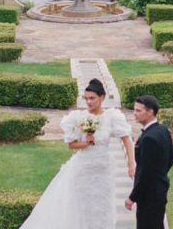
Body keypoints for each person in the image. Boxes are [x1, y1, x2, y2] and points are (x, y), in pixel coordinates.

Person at [20, 78, 135, 229]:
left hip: (103, 169)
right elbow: (71, 145)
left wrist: (131, 163)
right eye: (86, 98)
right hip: (83, 168)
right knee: (81, 207)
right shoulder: (78, 118)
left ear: (102, 97)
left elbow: (126, 139)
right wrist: (86, 142)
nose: (89, 102)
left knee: (102, 205)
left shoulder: (111, 117)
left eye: (92, 98)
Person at [124, 95, 173, 229]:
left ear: (150, 111)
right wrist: (160, 174)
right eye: (134, 110)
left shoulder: (149, 139)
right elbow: (171, 158)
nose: (134, 114)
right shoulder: (162, 130)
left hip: (149, 195)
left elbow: (146, 174)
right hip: (159, 189)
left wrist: (132, 197)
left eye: (138, 111)